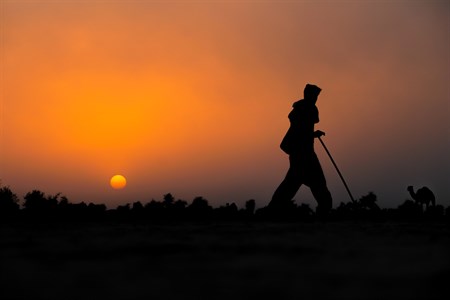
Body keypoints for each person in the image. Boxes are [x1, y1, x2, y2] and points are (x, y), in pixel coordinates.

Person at [269, 83, 332, 216]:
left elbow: (302, 130)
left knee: (294, 184)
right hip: (303, 154)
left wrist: (313, 134)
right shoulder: (305, 109)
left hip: (303, 153)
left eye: (317, 96)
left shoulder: (304, 108)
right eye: (315, 96)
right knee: (314, 183)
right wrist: (312, 134)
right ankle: (325, 211)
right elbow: (300, 131)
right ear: (308, 95)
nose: (316, 98)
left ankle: (272, 210)